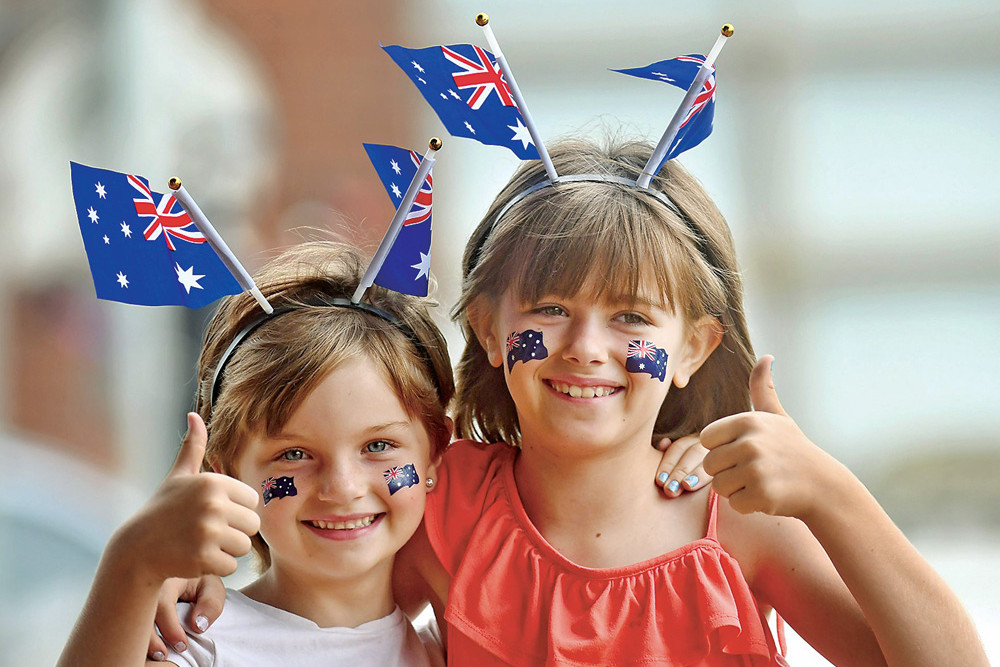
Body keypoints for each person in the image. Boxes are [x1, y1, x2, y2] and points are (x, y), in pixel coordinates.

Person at [154, 137, 988, 665]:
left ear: (694, 347)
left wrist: (830, 493)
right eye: (549, 310)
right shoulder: (445, 504)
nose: (587, 346)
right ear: (485, 327)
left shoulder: (740, 523)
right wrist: (182, 569)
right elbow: (318, 569)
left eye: (630, 317)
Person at [57, 241, 455, 667]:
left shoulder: (460, 651)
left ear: (435, 450)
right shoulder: (194, 642)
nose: (342, 488)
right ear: (226, 471)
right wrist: (133, 563)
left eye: (378, 446)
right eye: (294, 454)